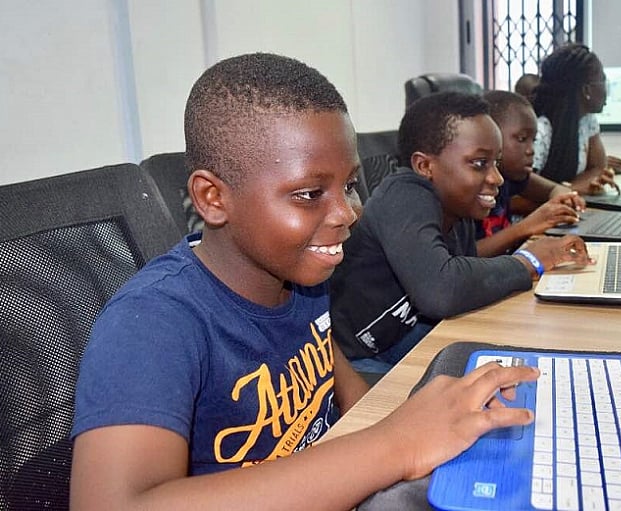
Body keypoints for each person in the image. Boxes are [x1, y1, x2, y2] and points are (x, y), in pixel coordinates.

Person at [69, 53, 542, 510]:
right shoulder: (151, 323)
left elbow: (339, 380)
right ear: (212, 198)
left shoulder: (300, 277)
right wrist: (395, 444)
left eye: (349, 186)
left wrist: (420, 426)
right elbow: (113, 503)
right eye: (310, 193)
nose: (348, 212)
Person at [330, 91, 594, 374]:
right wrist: (529, 261)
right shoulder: (404, 195)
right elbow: (441, 291)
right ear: (424, 166)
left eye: (496, 162)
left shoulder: (459, 206)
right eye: (479, 163)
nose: (497, 178)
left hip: (404, 334)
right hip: (356, 358)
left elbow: (465, 271)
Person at [476, 89, 586, 257]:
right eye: (521, 139)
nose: (531, 150)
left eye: (533, 140)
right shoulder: (471, 189)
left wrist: (562, 200)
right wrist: (527, 226)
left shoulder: (511, 176)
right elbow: (466, 256)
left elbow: (554, 189)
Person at [532, 43, 621, 196]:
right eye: (603, 81)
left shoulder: (587, 120)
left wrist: (571, 188)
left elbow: (598, 167)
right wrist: (571, 190)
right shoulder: (541, 131)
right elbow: (519, 191)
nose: (607, 90)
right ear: (587, 90)